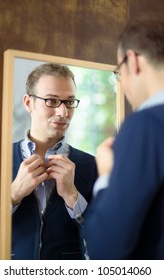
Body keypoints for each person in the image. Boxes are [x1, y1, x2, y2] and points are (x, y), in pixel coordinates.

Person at [83, 15, 164, 260]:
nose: (123, 85)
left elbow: (105, 251)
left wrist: (107, 175)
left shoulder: (146, 126)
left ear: (132, 60)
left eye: (119, 73)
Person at [11, 63, 98, 260]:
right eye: (51, 101)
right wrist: (12, 195)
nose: (63, 112)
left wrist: (73, 197)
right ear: (28, 103)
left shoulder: (93, 166)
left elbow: (108, 236)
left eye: (69, 102)